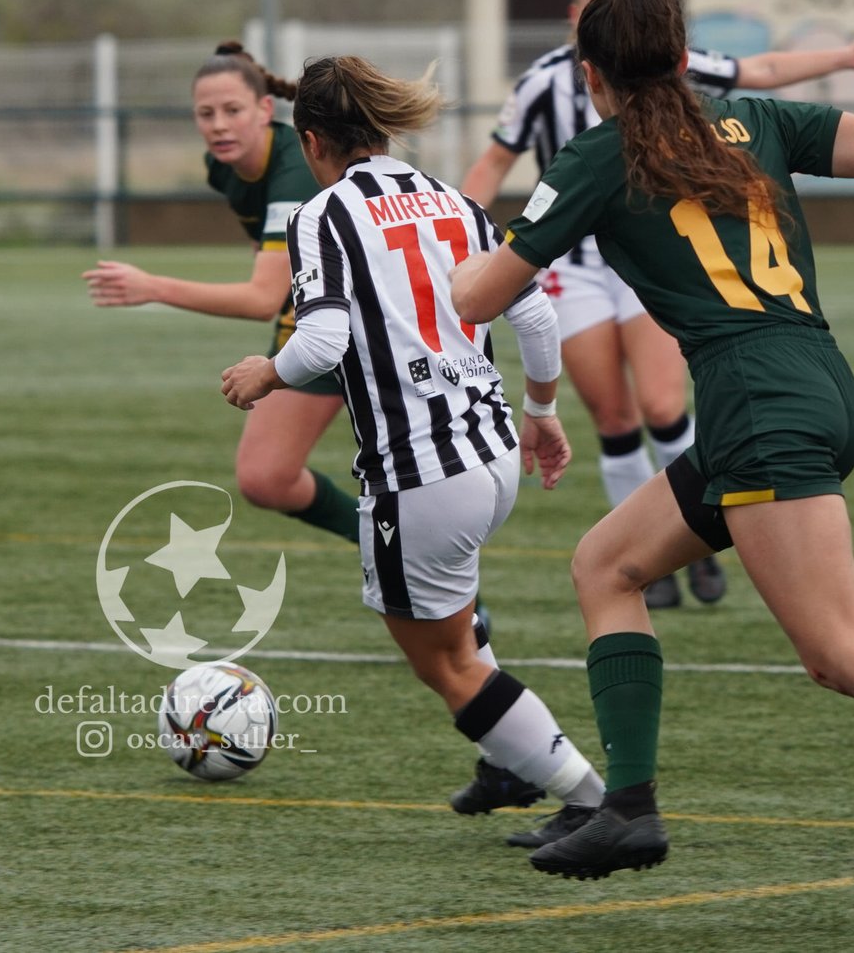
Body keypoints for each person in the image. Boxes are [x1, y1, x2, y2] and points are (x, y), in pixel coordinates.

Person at [452, 0, 854, 880]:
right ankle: (627, 810)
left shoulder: (598, 155)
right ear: (678, 55)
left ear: (591, 74)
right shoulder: (753, 120)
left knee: (839, 647)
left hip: (756, 402)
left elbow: (477, 295)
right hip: (814, 381)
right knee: (606, 565)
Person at [221, 55, 609, 848]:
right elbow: (533, 319)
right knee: (455, 636)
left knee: (449, 666)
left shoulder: (320, 214)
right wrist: (543, 411)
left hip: (421, 472)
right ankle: (509, 767)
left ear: (310, 139)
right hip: (493, 449)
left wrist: (268, 370)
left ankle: (592, 799)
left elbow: (324, 337)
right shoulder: (455, 201)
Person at [461, 0, 854, 609]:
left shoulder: (681, 102)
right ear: (579, 29)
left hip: (664, 257)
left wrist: (842, 57)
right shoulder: (545, 86)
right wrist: (472, 233)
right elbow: (494, 161)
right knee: (612, 414)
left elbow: (763, 70)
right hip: (571, 264)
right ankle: (654, 559)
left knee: (664, 405)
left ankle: (694, 543)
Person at [83, 43, 360, 544]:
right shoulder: (224, 169)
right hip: (314, 314)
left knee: (395, 477)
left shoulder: (294, 172)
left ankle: (421, 574)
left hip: (361, 322)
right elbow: (274, 266)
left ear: (264, 110)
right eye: (205, 114)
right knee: (267, 477)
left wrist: (152, 287)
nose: (218, 125)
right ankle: (393, 553)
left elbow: (261, 296)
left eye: (232, 110)